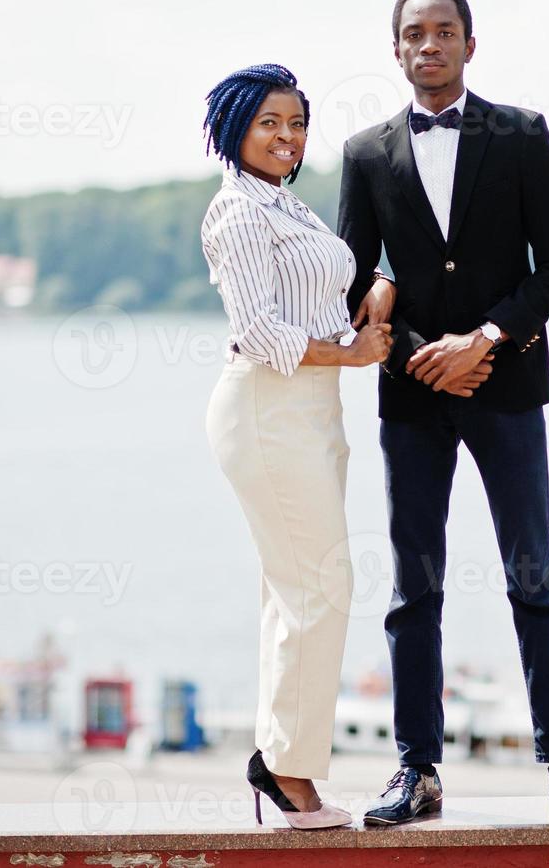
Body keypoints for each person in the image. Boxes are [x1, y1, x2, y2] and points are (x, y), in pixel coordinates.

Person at [337, 0, 549, 830]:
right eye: (414, 34)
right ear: (396, 50)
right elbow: (351, 281)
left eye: (444, 32)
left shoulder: (520, 135)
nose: (429, 45)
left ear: (469, 45)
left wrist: (484, 340)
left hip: (507, 384)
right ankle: (416, 772)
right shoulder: (365, 152)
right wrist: (422, 357)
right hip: (412, 398)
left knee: (534, 576)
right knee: (413, 584)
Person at [200, 63, 410, 830]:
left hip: (311, 411)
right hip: (267, 409)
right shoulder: (236, 213)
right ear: (233, 128)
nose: (286, 137)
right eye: (268, 123)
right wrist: (352, 355)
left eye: (295, 124)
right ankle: (285, 769)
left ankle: (280, 755)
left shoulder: (286, 206)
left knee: (295, 588)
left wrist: (374, 293)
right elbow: (257, 332)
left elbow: (323, 296)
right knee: (322, 585)